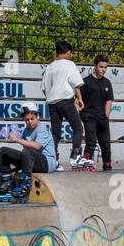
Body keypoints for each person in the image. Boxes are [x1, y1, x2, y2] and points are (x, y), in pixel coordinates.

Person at [0, 103, 57, 203]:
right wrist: (13, 170)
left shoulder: (42, 128)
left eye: (32, 119)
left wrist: (18, 139)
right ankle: (6, 183)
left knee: (27, 150)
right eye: (27, 120)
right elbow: (26, 157)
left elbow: (37, 146)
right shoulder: (26, 131)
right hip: (32, 160)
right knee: (4, 151)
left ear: (38, 116)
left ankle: (25, 185)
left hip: (47, 163)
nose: (30, 122)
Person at [41, 40, 93, 170]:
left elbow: (44, 88)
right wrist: (79, 98)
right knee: (77, 128)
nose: (70, 55)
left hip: (52, 104)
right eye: (70, 53)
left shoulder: (50, 67)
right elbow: (75, 83)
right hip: (65, 102)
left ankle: (52, 160)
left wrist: (52, 96)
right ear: (67, 52)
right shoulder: (69, 65)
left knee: (55, 134)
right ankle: (75, 156)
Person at [78, 53, 115, 171]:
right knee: (91, 141)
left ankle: (107, 163)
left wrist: (106, 116)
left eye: (105, 67)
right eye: (101, 67)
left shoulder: (107, 82)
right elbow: (78, 100)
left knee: (105, 142)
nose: (103, 70)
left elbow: (109, 101)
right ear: (95, 66)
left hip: (102, 116)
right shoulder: (86, 82)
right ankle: (87, 163)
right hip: (89, 116)